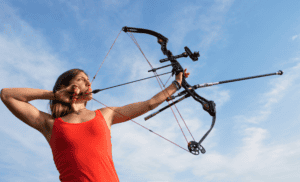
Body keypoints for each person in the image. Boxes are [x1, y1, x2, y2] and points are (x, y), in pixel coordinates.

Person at [1, 68, 190, 182]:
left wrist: (175, 84)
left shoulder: (106, 115)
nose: (88, 82)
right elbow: (7, 95)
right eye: (81, 79)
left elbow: (148, 104)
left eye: (89, 80)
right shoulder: (50, 124)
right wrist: (54, 95)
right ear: (68, 86)